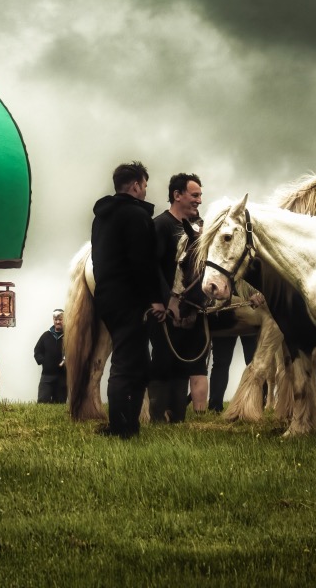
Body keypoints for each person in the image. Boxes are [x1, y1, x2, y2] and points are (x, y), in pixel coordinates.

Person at [90, 161, 164, 439]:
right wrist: (155, 299)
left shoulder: (102, 217)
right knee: (125, 364)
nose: (145, 191)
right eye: (144, 185)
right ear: (135, 185)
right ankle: (120, 428)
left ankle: (129, 424)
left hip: (108, 296)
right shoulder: (136, 216)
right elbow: (142, 263)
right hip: (131, 299)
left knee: (138, 362)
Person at [148, 173, 208, 422]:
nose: (199, 201)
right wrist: (163, 302)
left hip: (192, 309)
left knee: (187, 363)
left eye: (200, 195)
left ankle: (178, 418)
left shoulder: (200, 226)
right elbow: (152, 267)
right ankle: (159, 418)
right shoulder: (160, 225)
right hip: (166, 308)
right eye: (195, 195)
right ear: (177, 195)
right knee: (163, 361)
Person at [33, 309, 66, 403]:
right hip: (46, 377)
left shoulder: (69, 336)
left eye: (60, 319)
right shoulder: (45, 335)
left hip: (62, 378)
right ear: (53, 320)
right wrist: (44, 361)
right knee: (42, 403)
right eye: (55, 319)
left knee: (60, 405)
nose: (58, 321)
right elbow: (37, 351)